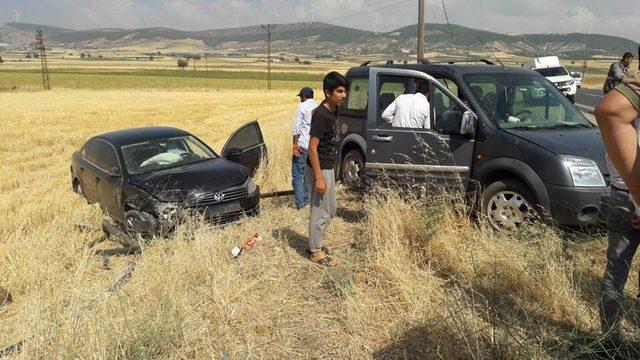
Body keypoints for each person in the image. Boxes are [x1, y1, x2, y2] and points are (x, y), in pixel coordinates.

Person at [595, 69, 640, 350]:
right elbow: (608, 112)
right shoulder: (628, 97)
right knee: (615, 273)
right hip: (629, 194)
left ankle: (609, 342)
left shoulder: (627, 94)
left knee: (615, 272)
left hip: (623, 194)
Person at [305, 71, 347, 266]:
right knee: (320, 210)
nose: (343, 95)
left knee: (330, 209)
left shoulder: (333, 110)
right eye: (339, 91)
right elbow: (312, 148)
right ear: (327, 92)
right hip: (319, 168)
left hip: (328, 167)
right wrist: (319, 177)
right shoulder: (321, 115)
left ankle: (316, 242)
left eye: (345, 91)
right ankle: (315, 250)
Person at [292, 87, 317, 209]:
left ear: (304, 96)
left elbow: (297, 127)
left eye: (301, 97)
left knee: (297, 173)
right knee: (308, 173)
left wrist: (295, 145)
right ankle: (307, 199)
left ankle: (300, 203)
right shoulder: (318, 107)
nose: (300, 99)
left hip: (302, 144)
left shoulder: (301, 107)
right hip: (314, 147)